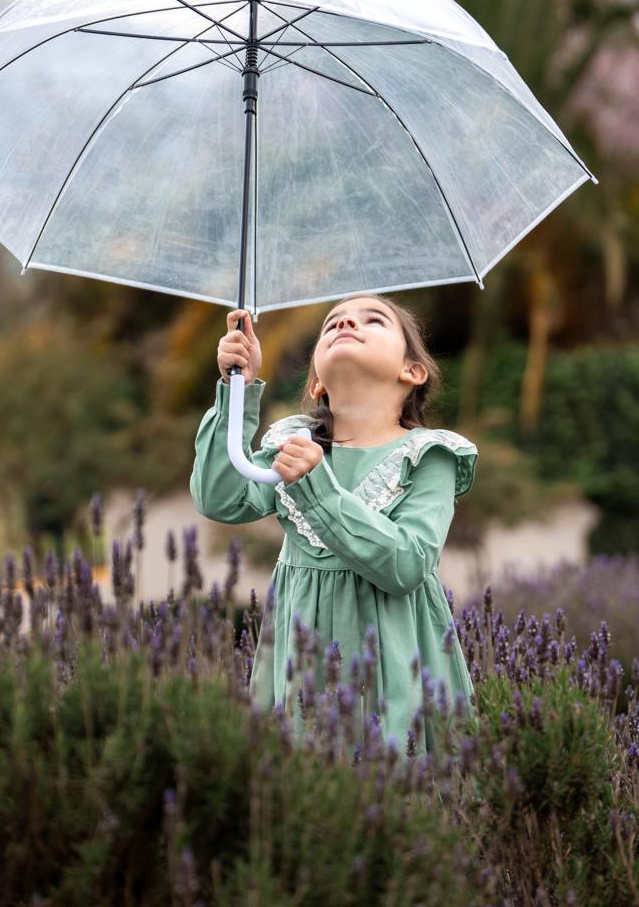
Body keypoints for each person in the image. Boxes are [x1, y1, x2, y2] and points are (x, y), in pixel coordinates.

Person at [189, 292, 478, 757]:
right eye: (332, 323)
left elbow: (407, 564)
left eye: (373, 320)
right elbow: (221, 499)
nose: (346, 324)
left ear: (412, 371)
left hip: (394, 668)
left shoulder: (429, 456)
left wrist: (317, 487)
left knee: (392, 780)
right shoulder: (294, 444)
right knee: (305, 778)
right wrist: (235, 387)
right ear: (317, 383)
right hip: (302, 664)